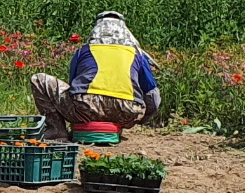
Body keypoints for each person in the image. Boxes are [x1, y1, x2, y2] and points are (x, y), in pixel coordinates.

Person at [30, 11, 161, 141]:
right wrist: (142, 118)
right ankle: (116, 125)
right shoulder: (137, 54)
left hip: (85, 108)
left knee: (38, 79)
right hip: (127, 113)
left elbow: (74, 85)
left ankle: (56, 130)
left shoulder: (84, 50)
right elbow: (152, 94)